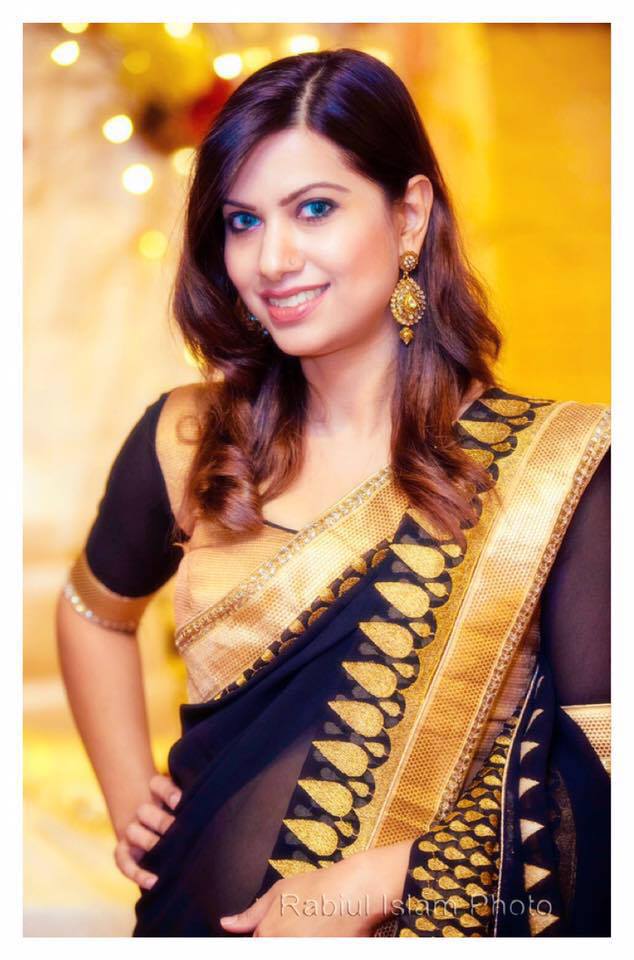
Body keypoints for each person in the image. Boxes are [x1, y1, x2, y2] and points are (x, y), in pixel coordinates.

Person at [56, 48, 610, 937]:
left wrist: (384, 881)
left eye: (314, 208)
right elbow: (92, 611)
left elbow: (602, 777)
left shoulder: (558, 467)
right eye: (243, 221)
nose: (272, 259)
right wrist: (130, 794)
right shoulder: (190, 438)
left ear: (409, 215)